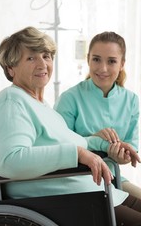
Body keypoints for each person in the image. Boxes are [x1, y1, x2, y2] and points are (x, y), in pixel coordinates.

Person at [0, 27, 141, 225]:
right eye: (31, 58)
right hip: (63, 199)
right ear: (10, 68)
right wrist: (77, 154)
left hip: (88, 191)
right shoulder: (12, 100)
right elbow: (8, 161)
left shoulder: (40, 105)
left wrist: (106, 145)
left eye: (46, 56)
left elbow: (75, 141)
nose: (43, 64)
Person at [54, 31, 141, 200]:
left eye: (112, 61)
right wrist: (96, 141)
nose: (103, 68)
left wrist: (121, 155)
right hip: (78, 179)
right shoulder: (70, 98)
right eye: (96, 59)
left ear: (122, 64)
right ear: (88, 59)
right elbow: (58, 147)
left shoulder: (131, 100)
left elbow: (132, 149)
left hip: (114, 178)